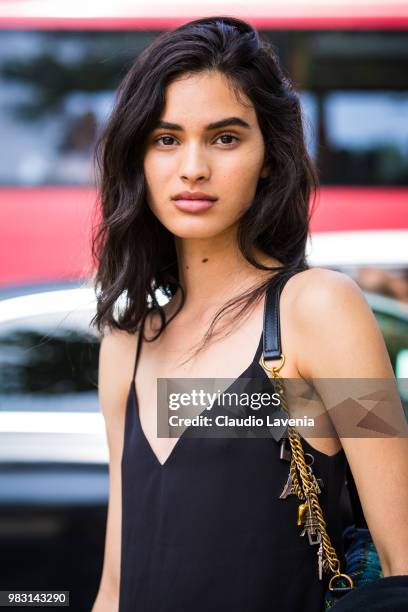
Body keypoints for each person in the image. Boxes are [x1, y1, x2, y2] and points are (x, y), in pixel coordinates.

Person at [90, 16, 408, 612]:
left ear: (268, 156)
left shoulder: (318, 309)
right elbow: (115, 584)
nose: (193, 168)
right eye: (165, 139)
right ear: (139, 158)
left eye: (225, 137)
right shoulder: (126, 343)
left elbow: (403, 560)